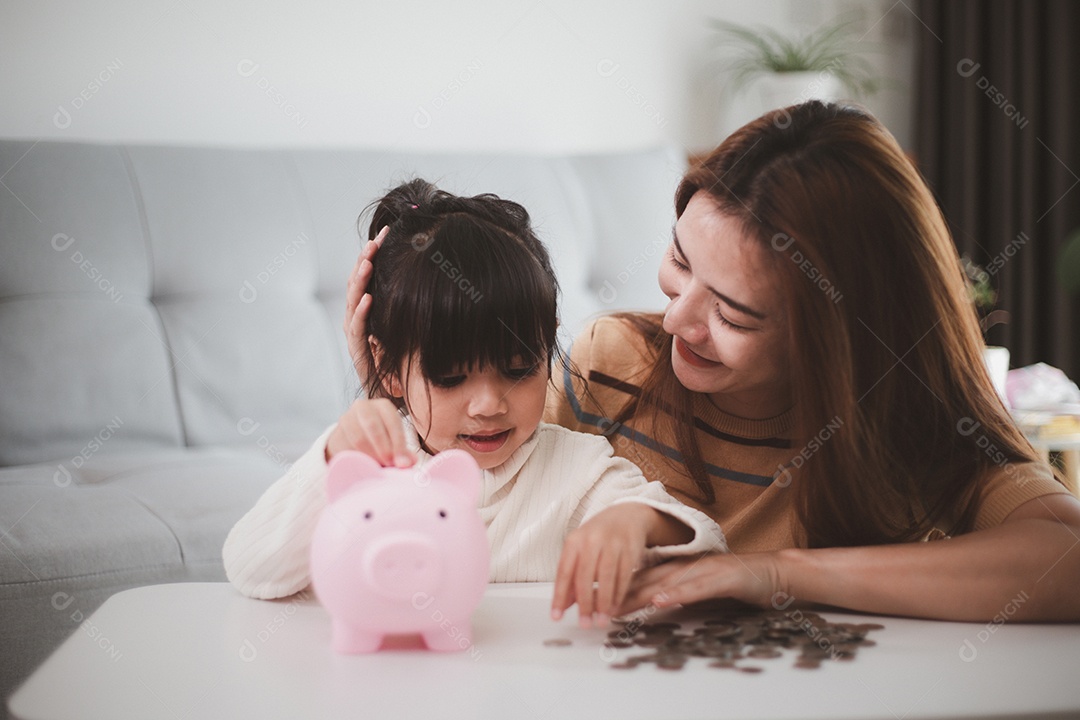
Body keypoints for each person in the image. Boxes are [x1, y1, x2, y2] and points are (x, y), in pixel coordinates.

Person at [345, 102, 1080, 622]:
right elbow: (471, 495)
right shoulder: (611, 366)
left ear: (837, 336)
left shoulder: (913, 428)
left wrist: (776, 573)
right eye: (678, 262)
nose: (676, 320)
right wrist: (390, 395)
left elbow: (1065, 558)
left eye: (732, 314)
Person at [223, 179, 726, 628]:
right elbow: (251, 568)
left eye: (518, 369)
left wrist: (638, 520)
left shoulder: (575, 471)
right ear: (387, 367)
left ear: (547, 344)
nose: (488, 405)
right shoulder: (372, 464)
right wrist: (335, 455)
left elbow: (710, 550)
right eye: (449, 379)